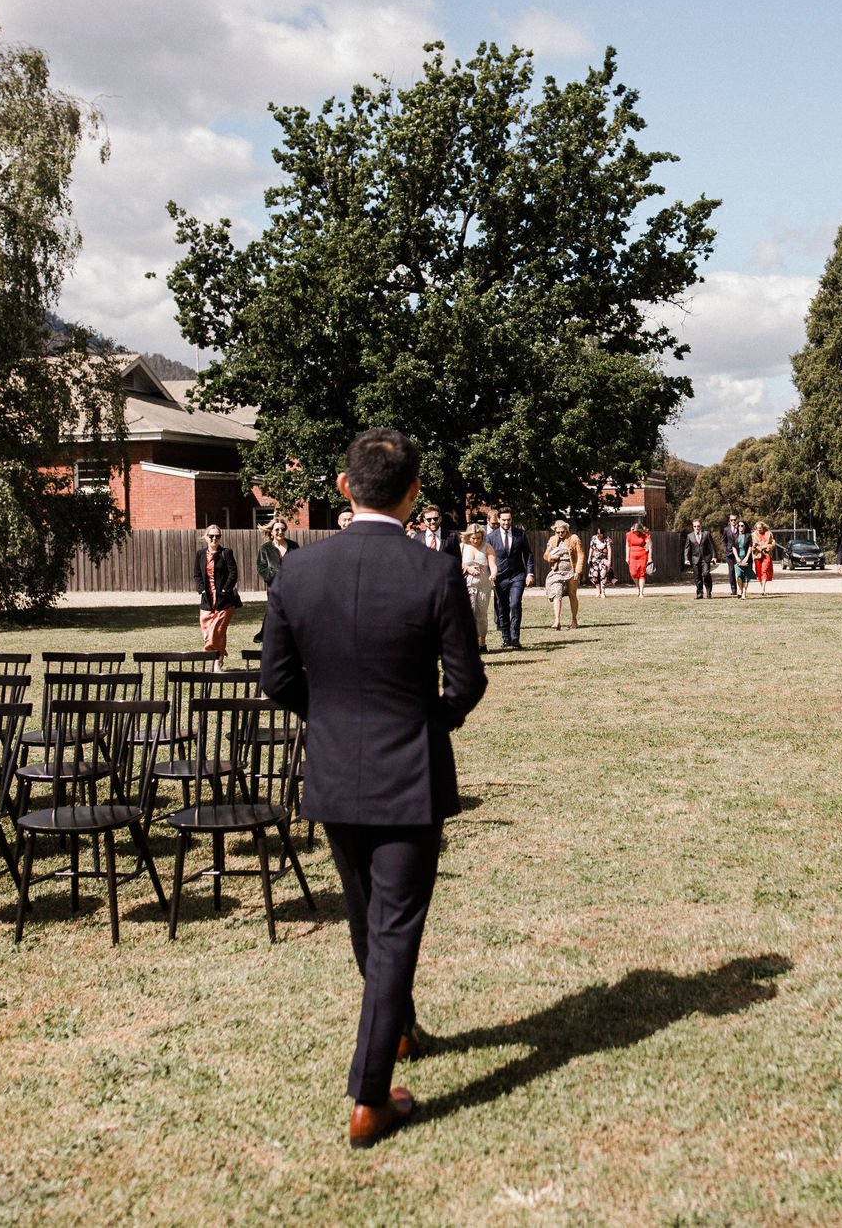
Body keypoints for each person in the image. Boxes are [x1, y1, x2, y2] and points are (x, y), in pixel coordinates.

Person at [260, 428, 486, 1150]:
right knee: (390, 929)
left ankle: (400, 1027)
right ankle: (367, 1096)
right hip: (409, 775)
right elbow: (468, 679)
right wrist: (430, 723)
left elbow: (276, 680)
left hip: (333, 772)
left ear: (342, 485)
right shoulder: (433, 570)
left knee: (368, 920)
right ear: (415, 491)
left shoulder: (297, 571)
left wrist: (329, 721)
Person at [194, 524, 241, 669]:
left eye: (217, 536)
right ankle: (218, 659)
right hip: (207, 599)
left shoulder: (226, 553)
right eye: (211, 536)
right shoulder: (200, 554)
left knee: (217, 630)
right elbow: (197, 575)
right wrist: (201, 590)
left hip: (225, 601)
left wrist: (226, 590)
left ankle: (214, 659)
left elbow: (233, 573)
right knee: (208, 630)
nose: (214, 538)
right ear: (206, 537)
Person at [488, 509, 534, 648]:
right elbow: (487, 557)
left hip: (517, 576)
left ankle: (515, 638)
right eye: (503, 520)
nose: (506, 522)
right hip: (499, 577)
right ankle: (505, 638)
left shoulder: (520, 534)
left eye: (508, 519)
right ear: (499, 520)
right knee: (502, 607)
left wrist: (530, 573)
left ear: (511, 519)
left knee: (514, 604)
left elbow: (528, 554)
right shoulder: (491, 537)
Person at [252, 517, 299, 641]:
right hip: (274, 586)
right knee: (275, 610)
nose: (280, 532)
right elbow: (261, 568)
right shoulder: (265, 549)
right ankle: (268, 634)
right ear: (271, 532)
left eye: (283, 529)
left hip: (291, 586)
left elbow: (299, 565)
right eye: (277, 529)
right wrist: (276, 574)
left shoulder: (294, 546)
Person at [459, 523, 497, 652]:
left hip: (483, 582)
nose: (475, 541)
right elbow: (455, 563)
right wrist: (467, 568)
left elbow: (493, 564)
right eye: (473, 538)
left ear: (482, 537)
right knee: (469, 612)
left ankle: (482, 642)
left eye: (478, 538)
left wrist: (493, 574)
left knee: (481, 613)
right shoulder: (462, 547)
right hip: (466, 582)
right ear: (468, 536)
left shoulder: (487, 547)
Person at [542, 520, 578, 630]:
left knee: (572, 595)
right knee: (557, 593)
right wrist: (550, 558)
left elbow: (581, 555)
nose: (561, 534)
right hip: (557, 571)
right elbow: (546, 555)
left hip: (571, 571)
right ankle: (557, 621)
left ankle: (574, 619)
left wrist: (578, 571)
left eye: (562, 532)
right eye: (558, 532)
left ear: (566, 530)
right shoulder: (552, 540)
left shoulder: (574, 539)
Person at [682, 518, 717, 599]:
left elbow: (712, 546)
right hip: (695, 559)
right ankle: (699, 593)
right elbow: (687, 548)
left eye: (698, 526)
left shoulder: (706, 534)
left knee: (706, 574)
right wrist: (686, 559)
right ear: (693, 527)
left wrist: (714, 557)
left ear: (701, 526)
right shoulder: (689, 536)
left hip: (706, 558)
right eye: (695, 526)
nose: (697, 528)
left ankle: (708, 592)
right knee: (697, 576)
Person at [625, 521, 653, 599]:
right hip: (632, 556)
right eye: (635, 531)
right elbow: (627, 546)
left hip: (643, 556)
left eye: (638, 531)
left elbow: (650, 546)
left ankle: (641, 593)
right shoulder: (629, 535)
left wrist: (650, 558)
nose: (636, 533)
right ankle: (639, 587)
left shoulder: (645, 535)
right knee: (633, 573)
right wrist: (627, 557)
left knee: (642, 574)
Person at [749, 520, 776, 597]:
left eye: (760, 528)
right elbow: (752, 544)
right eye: (757, 528)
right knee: (758, 572)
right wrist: (757, 547)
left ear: (763, 527)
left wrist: (767, 547)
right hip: (757, 555)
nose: (759, 530)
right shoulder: (754, 535)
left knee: (764, 570)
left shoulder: (769, 533)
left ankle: (763, 589)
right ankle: (762, 587)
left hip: (766, 554)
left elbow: (773, 543)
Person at [720, 514, 745, 597]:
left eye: (734, 520)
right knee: (731, 571)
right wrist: (725, 550)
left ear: (737, 520)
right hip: (729, 553)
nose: (733, 521)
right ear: (729, 521)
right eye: (731, 520)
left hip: (739, 552)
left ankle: (741, 589)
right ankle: (733, 589)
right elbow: (724, 541)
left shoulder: (740, 528)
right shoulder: (726, 529)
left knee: (740, 571)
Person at [586, 525, 613, 598]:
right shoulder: (593, 539)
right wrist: (589, 558)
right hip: (595, 560)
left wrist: (609, 561)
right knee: (594, 575)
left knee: (603, 574)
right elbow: (591, 548)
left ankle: (603, 592)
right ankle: (598, 590)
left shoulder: (607, 539)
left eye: (600, 533)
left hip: (603, 560)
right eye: (597, 533)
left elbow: (609, 550)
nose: (599, 535)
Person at [727, 524, 751, 600]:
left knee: (746, 577)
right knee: (739, 576)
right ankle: (740, 590)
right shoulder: (735, 536)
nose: (740, 527)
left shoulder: (748, 536)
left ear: (745, 527)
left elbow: (750, 546)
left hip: (747, 558)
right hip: (738, 558)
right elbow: (733, 547)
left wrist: (747, 557)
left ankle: (744, 593)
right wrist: (737, 557)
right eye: (739, 526)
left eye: (742, 525)